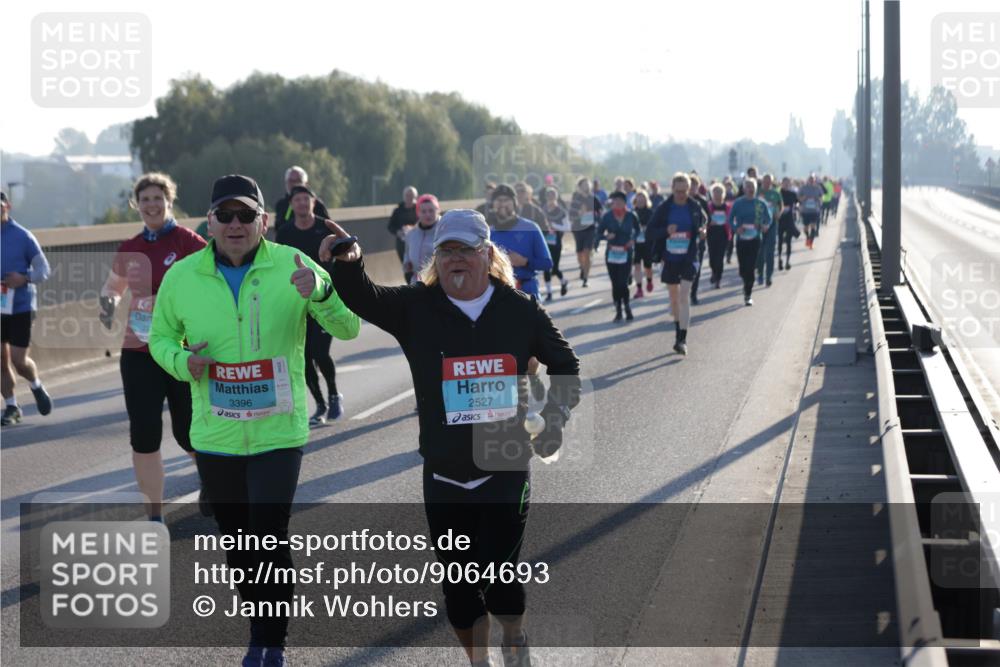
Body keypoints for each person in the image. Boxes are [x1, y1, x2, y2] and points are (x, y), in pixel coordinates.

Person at [325, 208, 581, 667]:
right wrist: (349, 258)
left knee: (501, 578)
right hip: (444, 473)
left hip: (504, 461)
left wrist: (554, 418)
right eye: (447, 250)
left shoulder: (519, 311)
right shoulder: (416, 307)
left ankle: (515, 637)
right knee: (460, 588)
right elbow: (362, 296)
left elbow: (567, 366)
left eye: (466, 249)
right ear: (435, 258)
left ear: (487, 254)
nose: (456, 259)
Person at [149, 174, 360, 665]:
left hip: (277, 434)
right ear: (210, 222)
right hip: (216, 436)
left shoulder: (293, 263)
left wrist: (322, 291)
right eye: (226, 215)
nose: (236, 224)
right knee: (241, 547)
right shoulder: (182, 277)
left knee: (268, 533)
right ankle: (258, 627)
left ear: (264, 221)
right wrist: (184, 363)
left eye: (247, 215)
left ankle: (269, 643)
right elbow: (158, 338)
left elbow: (348, 328)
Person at [99, 173, 208, 519]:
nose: (151, 205)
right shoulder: (130, 247)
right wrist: (109, 304)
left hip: (181, 351)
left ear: (169, 201)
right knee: (144, 436)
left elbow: (214, 286)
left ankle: (213, 479)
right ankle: (154, 515)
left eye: (157, 198)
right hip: (138, 353)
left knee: (187, 431)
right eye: (144, 199)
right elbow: (113, 287)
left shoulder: (189, 242)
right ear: (137, 204)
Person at [277, 185, 348, 425]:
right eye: (297, 200)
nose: (302, 204)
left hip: (325, 299)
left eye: (306, 199)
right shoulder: (285, 233)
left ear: (314, 202)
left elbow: (344, 255)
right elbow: (280, 266)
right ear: (291, 205)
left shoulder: (324, 227)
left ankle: (334, 393)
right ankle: (319, 405)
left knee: (321, 352)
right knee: (305, 357)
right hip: (298, 301)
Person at [0, 191, 52, 426]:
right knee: (1, 359)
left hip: (21, 306)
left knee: (19, 361)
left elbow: (44, 270)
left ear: (7, 206)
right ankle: (11, 406)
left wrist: (24, 278)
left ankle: (36, 385)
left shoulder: (23, 236)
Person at [646, 173, 707, 355]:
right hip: (670, 258)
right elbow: (650, 232)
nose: (681, 194)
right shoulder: (664, 208)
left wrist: (703, 231)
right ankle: (677, 333)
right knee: (674, 298)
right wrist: (666, 230)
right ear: (672, 189)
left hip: (689, 257)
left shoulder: (694, 207)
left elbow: (704, 222)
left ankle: (682, 339)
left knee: (684, 296)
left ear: (689, 190)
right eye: (678, 191)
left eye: (684, 191)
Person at [488, 184, 552, 299]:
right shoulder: (488, 233)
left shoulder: (530, 227)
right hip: (498, 296)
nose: (502, 204)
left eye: (506, 200)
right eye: (498, 200)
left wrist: (525, 262)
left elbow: (547, 263)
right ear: (493, 204)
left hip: (528, 293)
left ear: (515, 203)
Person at [727, 178, 772, 306]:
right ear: (744, 189)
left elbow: (768, 220)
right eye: (748, 186)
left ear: (755, 189)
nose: (750, 189)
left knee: (751, 267)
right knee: (743, 268)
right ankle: (745, 280)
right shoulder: (738, 203)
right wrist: (736, 228)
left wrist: (764, 226)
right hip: (741, 239)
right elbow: (730, 219)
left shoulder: (760, 203)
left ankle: (748, 294)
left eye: (752, 187)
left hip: (755, 239)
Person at [597, 191, 639, 322]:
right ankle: (618, 310)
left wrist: (633, 239)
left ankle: (627, 307)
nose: (617, 204)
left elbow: (638, 231)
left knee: (623, 283)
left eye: (620, 202)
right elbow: (598, 233)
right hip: (612, 254)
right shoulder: (607, 216)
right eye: (615, 202)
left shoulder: (631, 215)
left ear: (625, 203)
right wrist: (605, 236)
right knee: (615, 284)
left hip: (626, 252)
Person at [272, 166, 330, 232]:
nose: (294, 184)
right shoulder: (281, 205)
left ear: (306, 183)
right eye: (291, 181)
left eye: (298, 180)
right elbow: (278, 229)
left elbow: (328, 227)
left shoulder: (317, 204)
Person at [404, 194, 442, 285]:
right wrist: (407, 264)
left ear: (438, 210)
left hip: (438, 283)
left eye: (431, 210)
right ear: (418, 213)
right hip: (416, 283)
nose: (427, 214)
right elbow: (407, 253)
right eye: (423, 211)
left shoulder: (444, 232)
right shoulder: (411, 234)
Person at [541, 187, 571, 302]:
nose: (550, 198)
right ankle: (549, 293)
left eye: (552, 196)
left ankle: (563, 281)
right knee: (546, 267)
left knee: (555, 268)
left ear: (556, 197)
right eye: (548, 196)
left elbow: (567, 227)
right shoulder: (543, 210)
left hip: (556, 242)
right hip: (544, 241)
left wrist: (554, 226)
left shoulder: (561, 211)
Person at [569, 177, 598, 287]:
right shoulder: (576, 198)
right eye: (583, 185)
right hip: (578, 228)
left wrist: (594, 215)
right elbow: (571, 214)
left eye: (587, 184)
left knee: (587, 252)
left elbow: (600, 211)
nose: (586, 186)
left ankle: (585, 277)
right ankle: (582, 267)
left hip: (590, 228)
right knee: (579, 254)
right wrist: (579, 214)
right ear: (579, 186)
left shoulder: (593, 197)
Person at [687, 174, 711, 305]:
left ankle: (693, 294)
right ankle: (684, 293)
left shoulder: (701, 202)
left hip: (698, 242)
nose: (692, 188)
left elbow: (708, 219)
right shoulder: (680, 201)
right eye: (690, 185)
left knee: (696, 268)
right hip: (683, 242)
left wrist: (704, 230)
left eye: (694, 186)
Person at [387, 186, 419, 283]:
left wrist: (414, 229)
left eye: (411, 196)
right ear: (404, 196)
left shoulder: (420, 209)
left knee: (417, 265)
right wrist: (398, 232)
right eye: (407, 195)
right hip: (402, 244)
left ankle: (418, 285)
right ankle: (410, 286)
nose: (409, 198)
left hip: (417, 242)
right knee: (406, 266)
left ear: (415, 197)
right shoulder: (398, 210)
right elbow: (390, 226)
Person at [757, 174, 783, 287]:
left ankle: (769, 276)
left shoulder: (775, 193)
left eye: (769, 182)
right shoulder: (757, 192)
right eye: (765, 181)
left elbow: (781, 205)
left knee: (770, 252)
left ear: (772, 182)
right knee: (760, 252)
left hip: (772, 225)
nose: (767, 183)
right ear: (762, 181)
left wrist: (779, 213)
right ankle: (760, 274)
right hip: (759, 225)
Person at [705, 183, 732, 289]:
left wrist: (728, 223)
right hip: (711, 233)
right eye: (715, 193)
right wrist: (709, 223)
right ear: (712, 194)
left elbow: (731, 219)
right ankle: (713, 271)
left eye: (719, 193)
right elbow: (704, 220)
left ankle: (718, 279)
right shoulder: (709, 207)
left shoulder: (727, 207)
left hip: (723, 234)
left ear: (723, 194)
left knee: (720, 258)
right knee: (712, 257)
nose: (717, 195)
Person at [631, 189, 655, 298]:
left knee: (648, 267)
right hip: (636, 243)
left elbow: (654, 226)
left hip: (647, 243)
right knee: (636, 266)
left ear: (646, 201)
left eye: (643, 199)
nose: (640, 201)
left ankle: (649, 281)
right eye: (639, 200)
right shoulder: (632, 213)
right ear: (635, 201)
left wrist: (647, 229)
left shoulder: (650, 212)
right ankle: (639, 288)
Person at [777, 177, 800, 271]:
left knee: (789, 241)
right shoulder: (778, 194)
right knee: (780, 241)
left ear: (790, 184)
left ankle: (787, 261)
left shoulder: (792, 194)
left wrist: (797, 208)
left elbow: (797, 203)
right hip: (780, 219)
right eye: (784, 183)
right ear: (781, 183)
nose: (786, 184)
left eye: (788, 183)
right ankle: (779, 259)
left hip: (789, 220)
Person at [798, 174, 824, 250]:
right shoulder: (803, 188)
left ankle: (811, 243)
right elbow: (798, 197)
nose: (811, 181)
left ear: (815, 181)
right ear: (808, 180)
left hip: (814, 210)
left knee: (813, 226)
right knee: (805, 228)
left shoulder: (818, 188)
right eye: (810, 180)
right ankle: (808, 237)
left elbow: (821, 196)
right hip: (805, 211)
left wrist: (819, 201)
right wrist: (803, 198)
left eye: (813, 180)